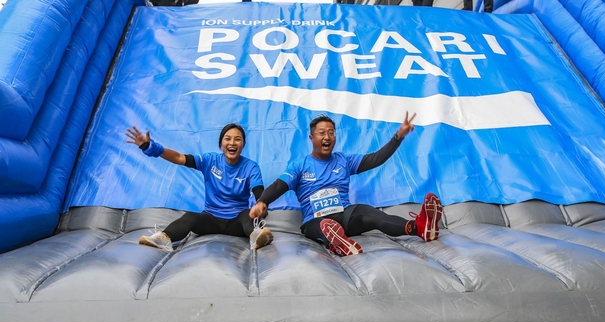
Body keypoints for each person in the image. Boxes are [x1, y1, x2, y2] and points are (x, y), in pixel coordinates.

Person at [249, 113, 442, 257]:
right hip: (315, 220)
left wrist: (398, 136)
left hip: (344, 214)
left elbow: (376, 159)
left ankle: (419, 227)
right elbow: (279, 185)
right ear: (311, 138)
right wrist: (262, 202)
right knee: (325, 226)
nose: (327, 137)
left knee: (373, 215)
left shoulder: (344, 160)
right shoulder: (299, 166)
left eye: (331, 133)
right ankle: (337, 242)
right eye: (322, 133)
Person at [125, 123, 273, 252]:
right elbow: (179, 158)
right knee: (190, 217)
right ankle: (163, 238)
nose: (232, 143)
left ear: (243, 144)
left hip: (238, 222)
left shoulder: (251, 167)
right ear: (220, 144)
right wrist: (151, 148)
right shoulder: (210, 160)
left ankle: (257, 236)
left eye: (237, 139)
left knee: (248, 216)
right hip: (211, 219)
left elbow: (259, 192)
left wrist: (260, 204)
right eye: (227, 138)